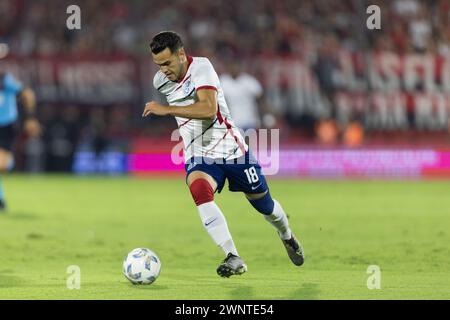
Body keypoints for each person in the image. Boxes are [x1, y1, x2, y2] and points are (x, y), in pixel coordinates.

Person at [142, 31, 304, 278]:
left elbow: (208, 110)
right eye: (158, 65)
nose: (163, 70)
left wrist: (166, 110)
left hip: (232, 150)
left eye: (167, 63)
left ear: (182, 55)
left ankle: (287, 235)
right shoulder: (160, 81)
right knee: (198, 190)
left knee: (266, 206)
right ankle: (232, 255)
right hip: (199, 154)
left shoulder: (202, 67)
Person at [0, 71, 38, 211]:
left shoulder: (5, 79)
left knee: (3, 165)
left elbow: (27, 94)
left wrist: (30, 117)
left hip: (5, 127)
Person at [219, 61, 263, 131]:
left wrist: (263, 116)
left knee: (250, 141)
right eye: (232, 67)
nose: (234, 69)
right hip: (233, 121)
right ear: (228, 68)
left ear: (240, 68)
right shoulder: (223, 81)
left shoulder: (249, 81)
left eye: (236, 67)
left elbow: (260, 98)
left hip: (250, 119)